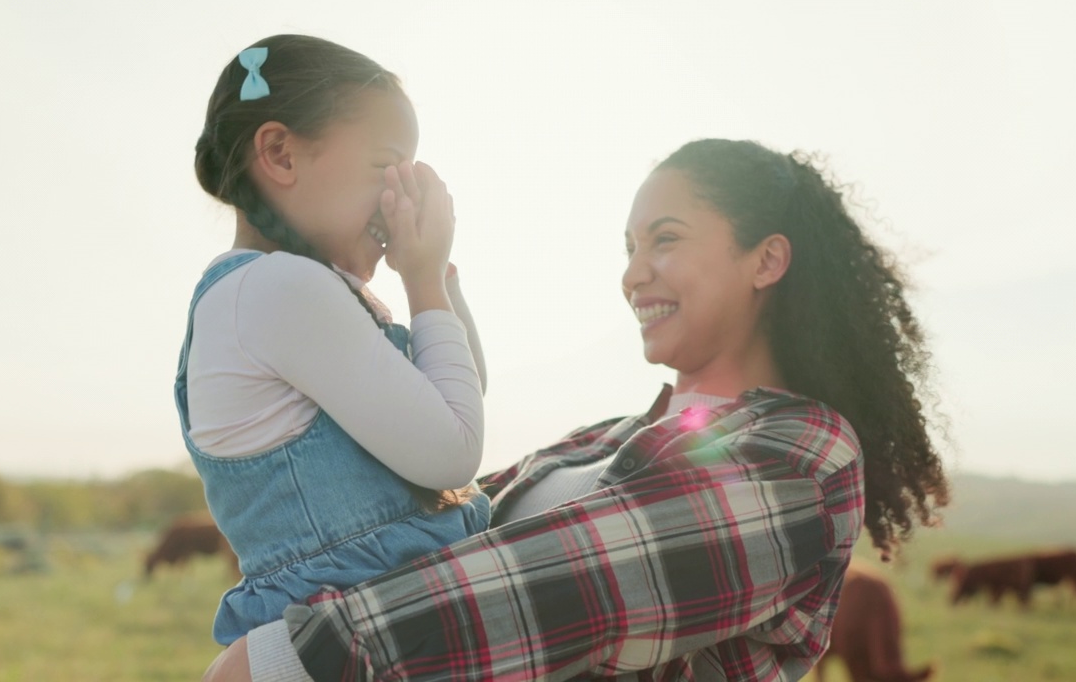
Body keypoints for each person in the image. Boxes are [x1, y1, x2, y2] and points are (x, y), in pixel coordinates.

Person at [205, 138, 948, 681]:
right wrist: (427, 278)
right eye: (628, 246)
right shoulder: (598, 441)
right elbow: (422, 534)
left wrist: (287, 656)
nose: (632, 274)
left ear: (766, 260)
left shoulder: (803, 455)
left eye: (666, 240)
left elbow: (559, 587)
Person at [177, 34, 490, 645]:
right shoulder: (277, 290)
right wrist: (422, 279)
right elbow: (455, 450)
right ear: (281, 155)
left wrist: (436, 278)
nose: (402, 189)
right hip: (356, 632)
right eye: (386, 164)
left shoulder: (292, 292)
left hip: (376, 612)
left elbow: (458, 398)